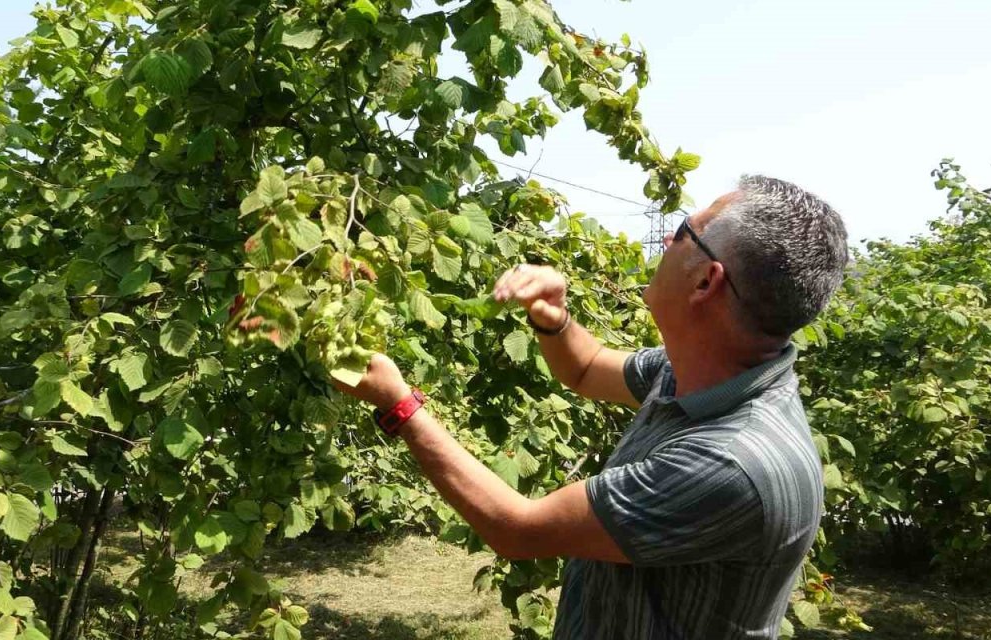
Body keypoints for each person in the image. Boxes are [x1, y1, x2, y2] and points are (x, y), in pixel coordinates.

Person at [334, 175, 850, 639]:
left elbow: (518, 529)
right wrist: (554, 320)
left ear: (705, 281)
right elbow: (587, 367)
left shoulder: (731, 465)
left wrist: (400, 405)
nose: (667, 242)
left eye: (681, 232)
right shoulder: (698, 368)